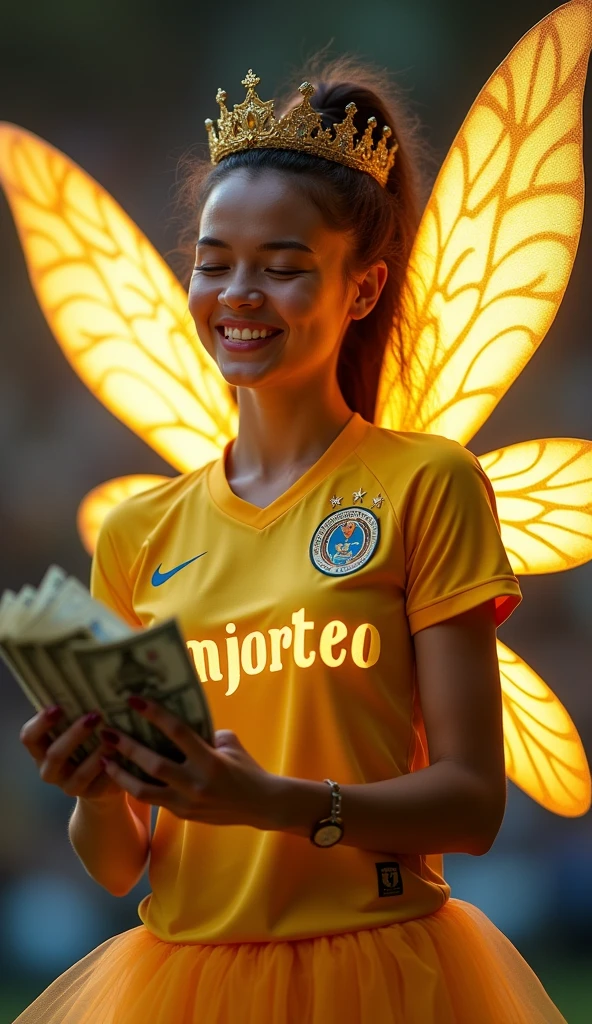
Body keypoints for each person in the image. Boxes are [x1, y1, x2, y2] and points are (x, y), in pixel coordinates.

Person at [14, 53, 572, 1024]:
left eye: (282, 269)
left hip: (384, 971)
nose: (237, 294)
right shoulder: (141, 530)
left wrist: (276, 803)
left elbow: (473, 803)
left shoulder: (425, 485)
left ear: (361, 289)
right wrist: (94, 789)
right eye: (214, 262)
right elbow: (116, 865)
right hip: (180, 980)